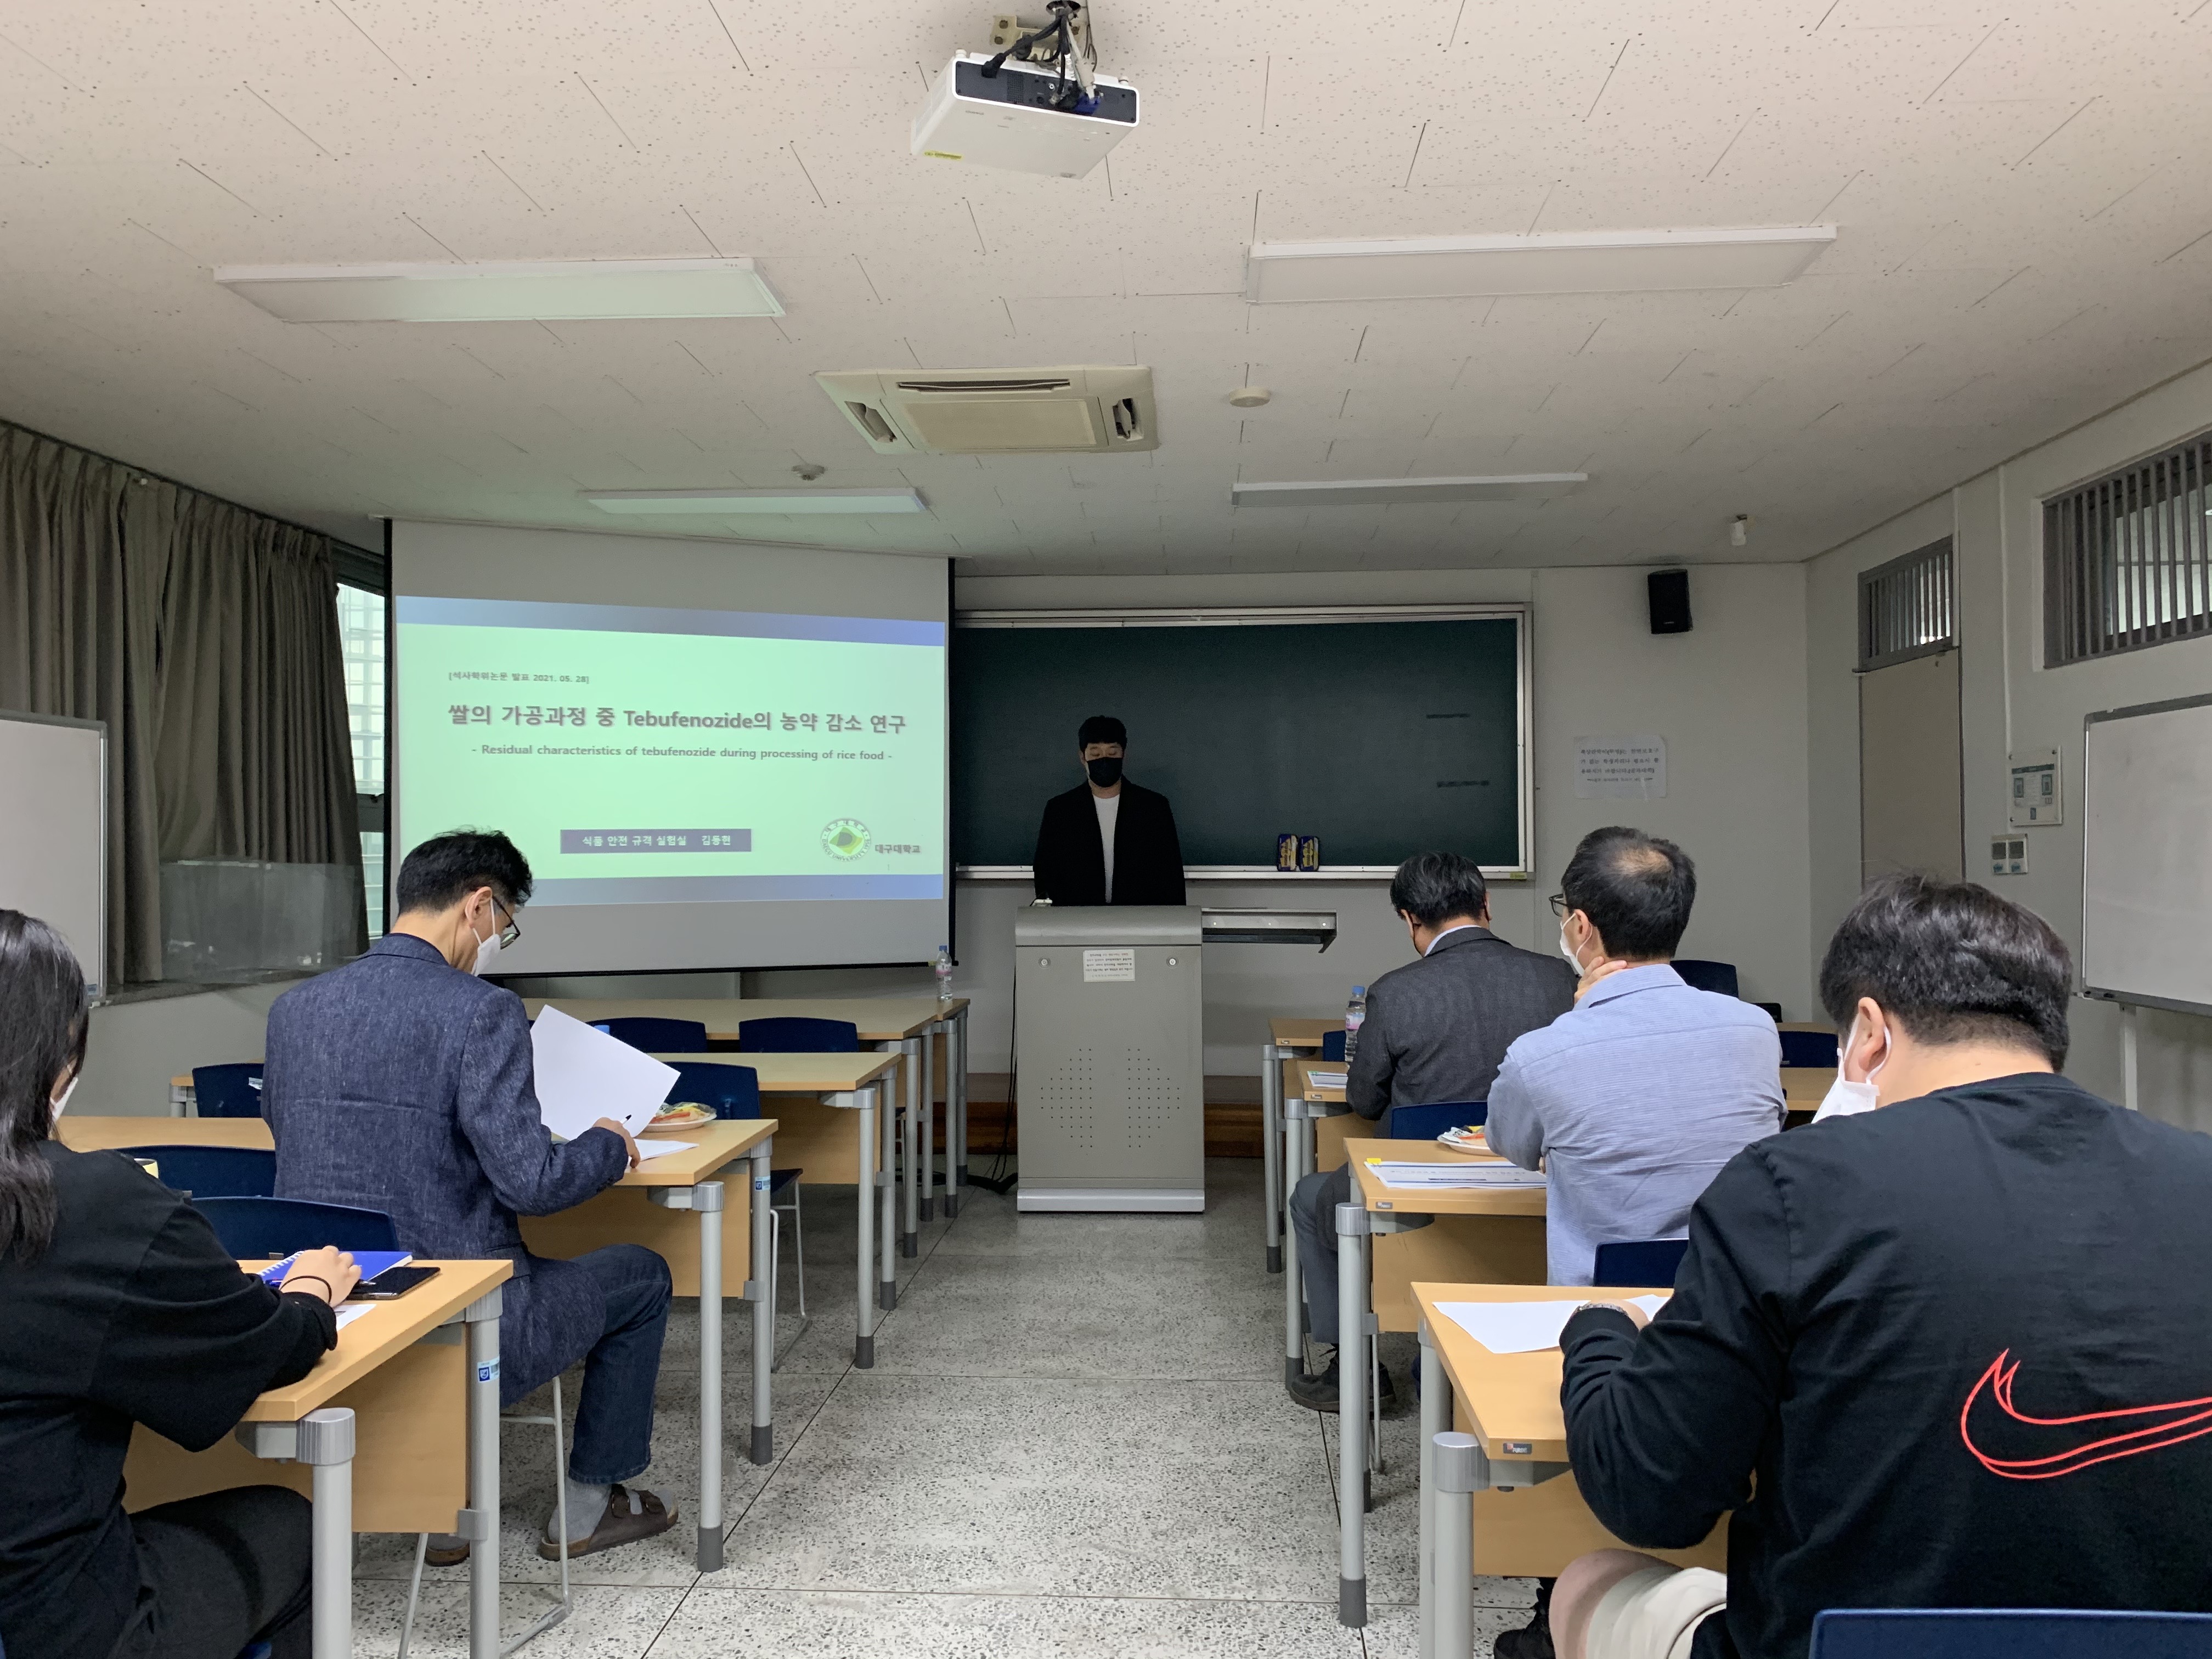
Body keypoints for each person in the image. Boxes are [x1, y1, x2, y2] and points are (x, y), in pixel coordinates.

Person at [1548, 874, 2212, 1659]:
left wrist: (1597, 1331)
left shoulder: (1792, 1186)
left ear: (1868, 1033)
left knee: (1587, 1581)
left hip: (1845, 1643)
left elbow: (1651, 1494)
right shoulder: (2197, 1174)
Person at [264, 829, 677, 1564]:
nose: (497, 943)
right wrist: (608, 1143)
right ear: (479, 904)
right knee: (642, 1275)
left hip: (333, 1313)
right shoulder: (482, 1011)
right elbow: (532, 1183)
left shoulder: (295, 1008)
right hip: (461, 1318)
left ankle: (446, 1504)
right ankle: (588, 1507)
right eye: (505, 925)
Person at [0, 910, 362, 1659]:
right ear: (62, 1052)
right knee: (298, 1525)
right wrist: (311, 1296)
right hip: (58, 1629)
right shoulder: (92, 1207)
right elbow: (262, 1350)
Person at [1284, 852, 1575, 1412]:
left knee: (1312, 1197)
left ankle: (1356, 1369)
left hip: (1420, 1191)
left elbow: (1364, 1100)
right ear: (1486, 904)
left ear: (1409, 919)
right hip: (1538, 1183)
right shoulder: (1557, 979)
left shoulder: (1395, 993)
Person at [1487, 827, 1783, 1286]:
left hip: (1599, 1312)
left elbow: (1510, 1144)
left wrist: (1581, 1014)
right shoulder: (1756, 1030)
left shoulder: (1540, 1055)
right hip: (1733, 1301)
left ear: (1581, 926)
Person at [1031, 714, 1187, 906]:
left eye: (1112, 754)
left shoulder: (1154, 807)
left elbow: (1171, 874)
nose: (1104, 761)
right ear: (1082, 757)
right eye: (1096, 755)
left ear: (1124, 755)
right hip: (1076, 919)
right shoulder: (1060, 810)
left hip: (1141, 918)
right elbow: (1045, 873)